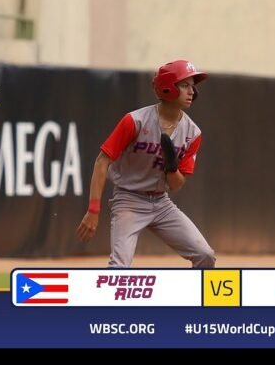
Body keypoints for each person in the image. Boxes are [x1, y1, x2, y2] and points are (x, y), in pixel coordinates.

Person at [76, 59, 216, 268]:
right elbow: (101, 162)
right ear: (168, 88)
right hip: (129, 199)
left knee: (205, 255)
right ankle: (107, 300)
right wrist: (93, 210)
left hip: (162, 202)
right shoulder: (135, 121)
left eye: (192, 86)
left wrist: (171, 166)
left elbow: (177, 185)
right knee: (119, 266)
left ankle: (191, 299)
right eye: (185, 85)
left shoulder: (192, 133)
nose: (192, 91)